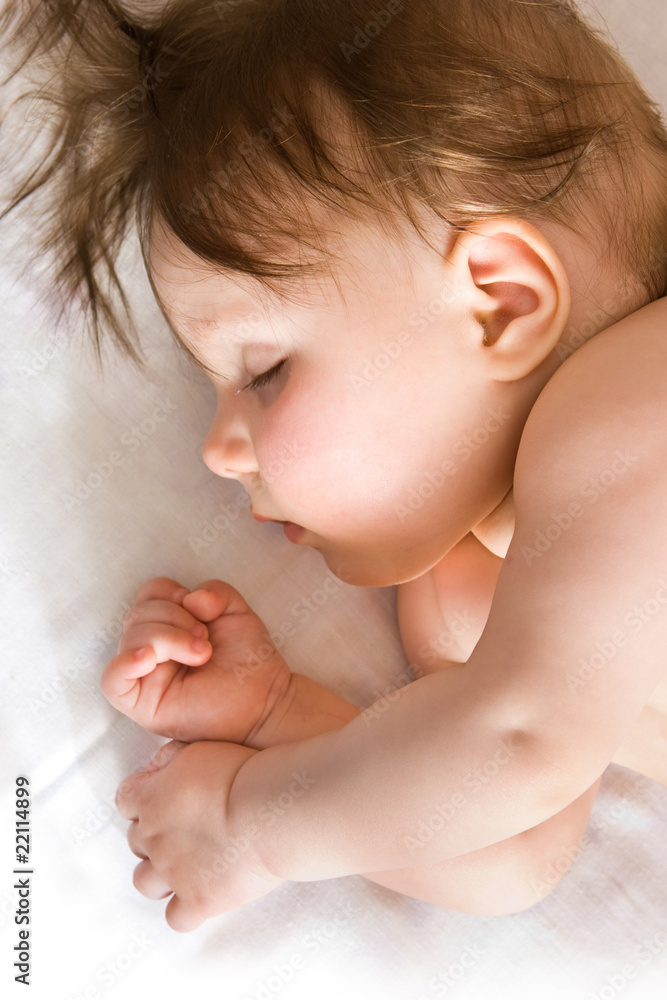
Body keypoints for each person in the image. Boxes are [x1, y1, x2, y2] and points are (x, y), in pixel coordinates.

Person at [2, 0, 667, 933]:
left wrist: (251, 829)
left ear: (501, 303)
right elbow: (508, 849)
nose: (217, 452)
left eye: (264, 373)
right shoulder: (469, 597)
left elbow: (519, 746)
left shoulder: (635, 400)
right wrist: (274, 721)